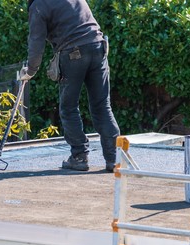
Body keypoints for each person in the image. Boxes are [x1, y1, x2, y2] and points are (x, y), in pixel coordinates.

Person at [20, 0, 120, 172]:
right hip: (98, 46)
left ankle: (79, 156)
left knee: (68, 107)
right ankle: (114, 159)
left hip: (73, 52)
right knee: (102, 106)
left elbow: (36, 42)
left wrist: (30, 70)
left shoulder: (39, 5)